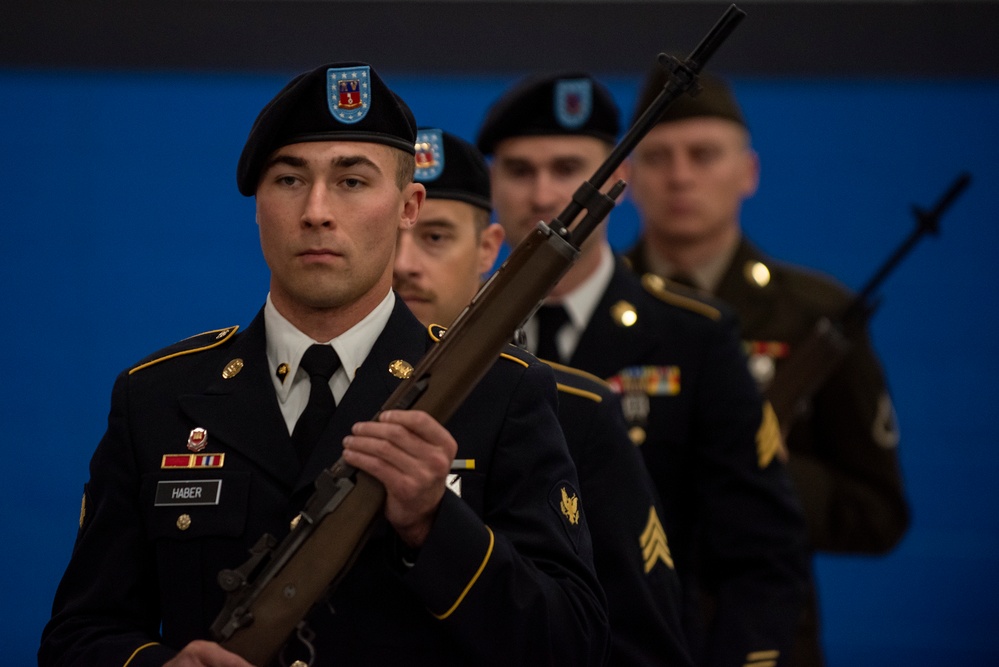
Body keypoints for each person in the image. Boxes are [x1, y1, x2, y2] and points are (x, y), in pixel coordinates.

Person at [39, 62, 610, 667]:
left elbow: (572, 643)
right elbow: (77, 637)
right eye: (288, 180)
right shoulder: (156, 397)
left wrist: (435, 525)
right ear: (256, 206)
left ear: (409, 206)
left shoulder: (499, 392)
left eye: (352, 182)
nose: (316, 211)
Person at [477, 73, 811, 667]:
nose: (544, 193)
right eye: (520, 170)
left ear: (616, 182)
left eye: (567, 168)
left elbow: (761, 554)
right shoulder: (455, 338)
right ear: (493, 186)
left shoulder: (695, 338)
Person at [625, 67, 911, 666]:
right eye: (658, 157)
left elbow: (878, 515)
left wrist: (765, 468)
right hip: (625, 632)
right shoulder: (596, 304)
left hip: (769, 637)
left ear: (748, 172)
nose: (680, 176)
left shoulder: (816, 317)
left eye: (703, 155)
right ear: (624, 178)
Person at [395, 127, 695, 666]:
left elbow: (637, 645)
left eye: (435, 237)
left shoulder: (572, 409)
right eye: (390, 238)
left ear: (489, 248)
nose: (405, 265)